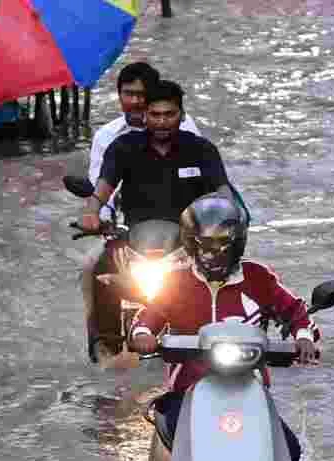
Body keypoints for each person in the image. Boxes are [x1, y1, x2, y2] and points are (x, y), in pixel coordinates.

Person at [127, 193, 320, 461]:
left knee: (289, 450)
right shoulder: (175, 281)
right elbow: (149, 315)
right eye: (203, 245)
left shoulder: (258, 278)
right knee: (172, 432)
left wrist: (303, 338)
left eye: (221, 245)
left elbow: (294, 310)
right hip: (188, 389)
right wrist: (143, 334)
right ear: (191, 245)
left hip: (249, 387)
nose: (211, 253)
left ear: (237, 244)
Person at [76, 79, 233, 363]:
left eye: (169, 114)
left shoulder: (201, 150)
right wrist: (91, 213)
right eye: (155, 115)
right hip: (133, 238)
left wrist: (230, 217)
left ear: (182, 115)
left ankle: (224, 340)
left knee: (229, 271)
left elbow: (223, 192)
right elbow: (102, 188)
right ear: (144, 115)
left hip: (191, 242)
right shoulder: (123, 147)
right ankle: (106, 348)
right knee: (93, 268)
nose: (162, 122)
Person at [87, 62, 200, 222]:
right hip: (128, 224)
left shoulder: (186, 126)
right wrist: (99, 220)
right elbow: (100, 187)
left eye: (141, 94)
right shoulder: (107, 137)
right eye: (128, 93)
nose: (135, 101)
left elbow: (204, 175)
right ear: (119, 95)